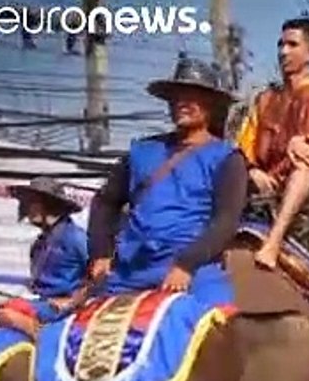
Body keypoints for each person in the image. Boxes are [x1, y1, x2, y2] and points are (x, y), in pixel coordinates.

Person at [86, 56, 246, 304]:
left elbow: (226, 220)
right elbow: (106, 202)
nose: (183, 103)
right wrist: (101, 252)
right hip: (130, 270)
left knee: (213, 325)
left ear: (211, 105)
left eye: (193, 96)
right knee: (77, 328)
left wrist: (187, 264)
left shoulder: (226, 158)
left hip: (192, 268)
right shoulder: (142, 151)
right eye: (177, 96)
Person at [235, 16, 309, 269]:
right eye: (280, 45)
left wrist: (306, 141)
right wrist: (252, 169)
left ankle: (273, 242)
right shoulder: (265, 99)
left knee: (303, 156)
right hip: (268, 184)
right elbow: (245, 144)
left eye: (292, 45)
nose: (283, 52)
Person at [0, 177, 88, 336]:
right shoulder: (39, 245)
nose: (25, 208)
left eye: (30, 202)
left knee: (6, 312)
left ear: (46, 204)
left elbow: (100, 273)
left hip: (64, 308)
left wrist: (71, 302)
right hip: (44, 304)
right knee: (3, 310)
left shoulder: (76, 238)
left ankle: (44, 340)